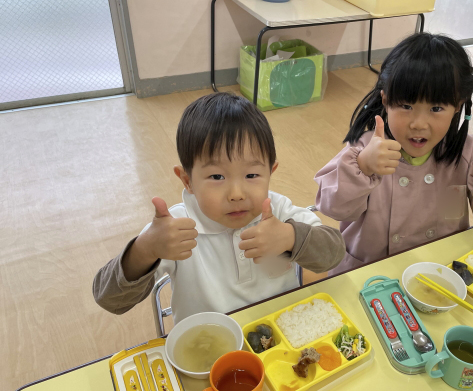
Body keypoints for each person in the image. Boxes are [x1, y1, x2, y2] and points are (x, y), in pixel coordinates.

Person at [94, 93, 345, 322]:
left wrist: (292, 237)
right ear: (187, 180)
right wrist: (145, 249)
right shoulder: (175, 228)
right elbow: (110, 300)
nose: (236, 194)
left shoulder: (277, 210)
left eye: (251, 175)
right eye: (216, 177)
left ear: (271, 171)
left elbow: (334, 253)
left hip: (282, 340)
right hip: (210, 349)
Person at [314, 33, 473, 275]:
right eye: (406, 106)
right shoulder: (365, 151)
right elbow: (333, 208)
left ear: (458, 105)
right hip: (370, 274)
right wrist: (363, 167)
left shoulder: (468, 153)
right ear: (385, 101)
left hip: (440, 274)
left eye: (436, 108)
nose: (418, 123)